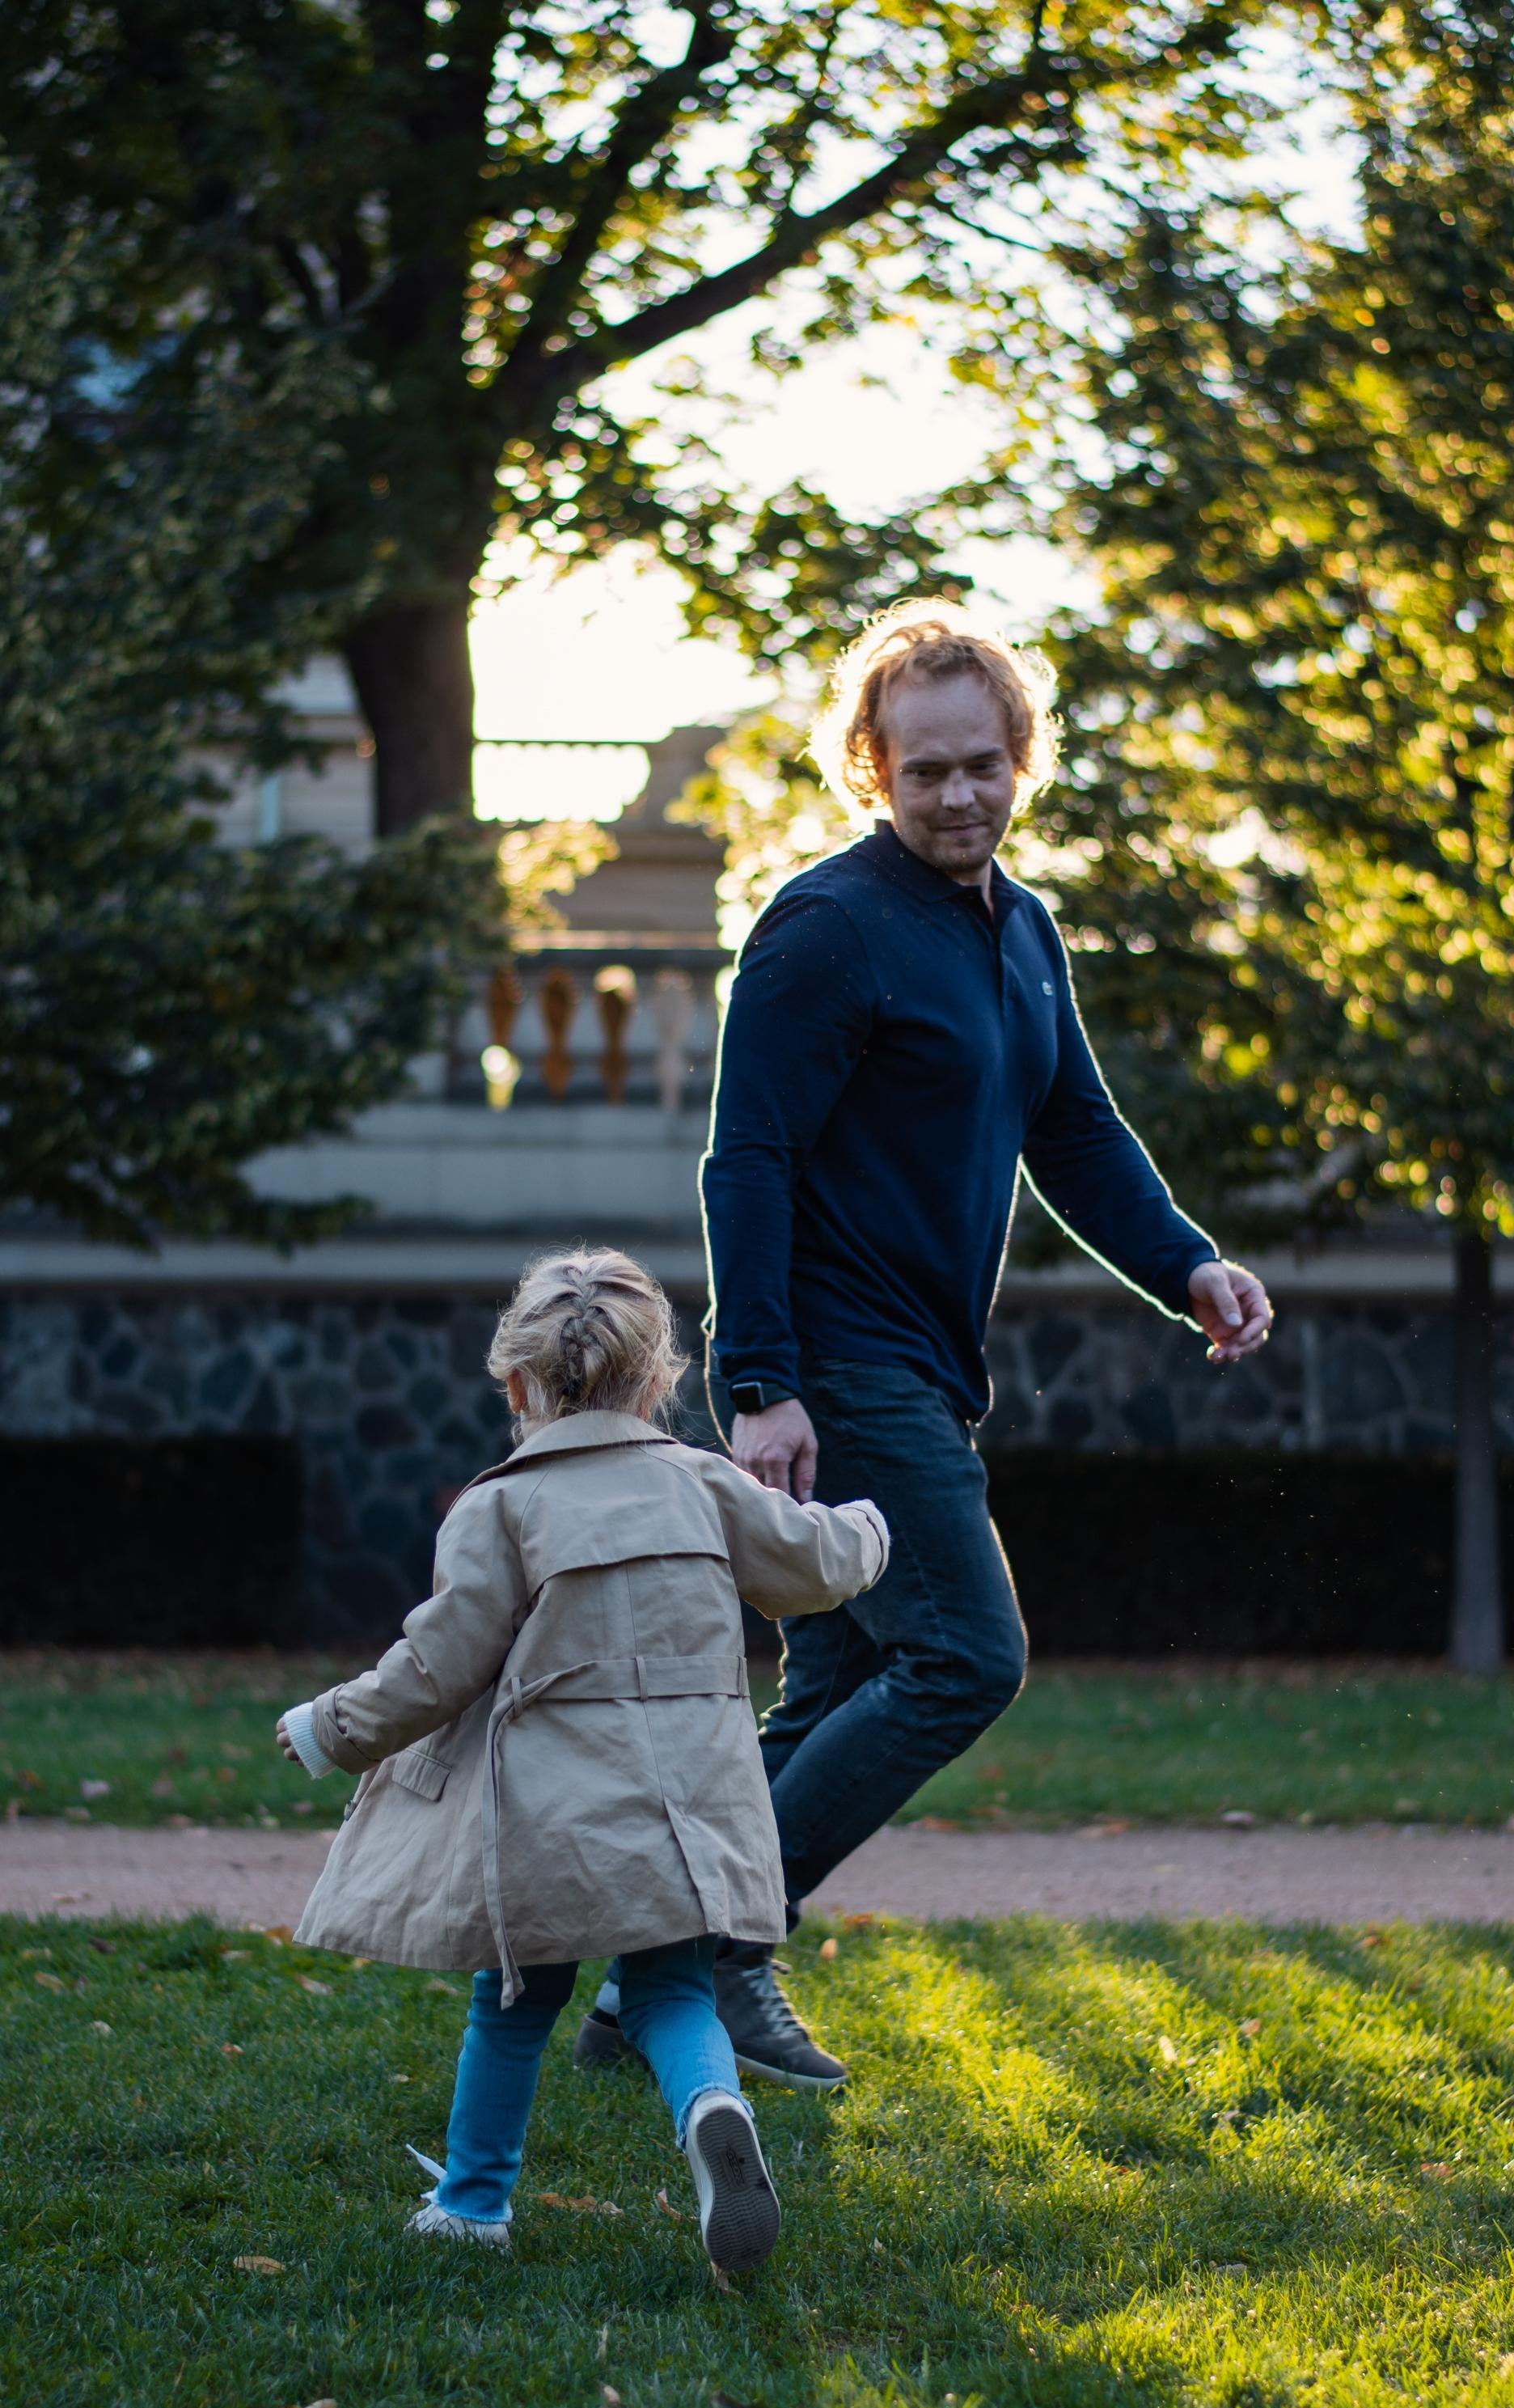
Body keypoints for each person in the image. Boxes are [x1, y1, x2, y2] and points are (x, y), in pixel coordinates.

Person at [577, 603, 1272, 2093]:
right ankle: (709, 1954)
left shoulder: (1020, 934)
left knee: (829, 1695)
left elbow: (1073, 1132)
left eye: (983, 765)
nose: (959, 795)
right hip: (840, 1371)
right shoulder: (830, 929)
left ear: (1022, 758)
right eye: (924, 772)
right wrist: (759, 1383)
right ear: (871, 774)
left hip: (924, 1373)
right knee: (965, 1655)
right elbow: (746, 1156)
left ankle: (662, 1984)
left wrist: (1187, 1264)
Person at [274, 1247, 888, 2270]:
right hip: (693, 1811)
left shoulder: (500, 1507)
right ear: (659, 1381)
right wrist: (869, 1527)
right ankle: (709, 2111)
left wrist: (329, 1726)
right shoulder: (704, 1482)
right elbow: (814, 1563)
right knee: (673, 1997)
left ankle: (472, 2207)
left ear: (515, 1384)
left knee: (512, 2008)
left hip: (551, 1822)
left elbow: (438, 1665)